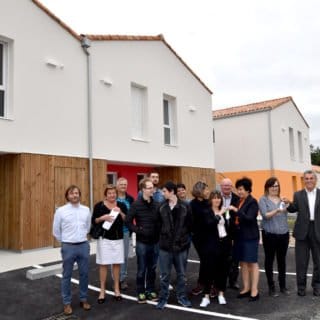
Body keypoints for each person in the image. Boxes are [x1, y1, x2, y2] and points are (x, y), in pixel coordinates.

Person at [52, 185, 91, 316]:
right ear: (67, 196)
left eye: (76, 193)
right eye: (71, 193)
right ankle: (67, 303)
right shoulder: (61, 211)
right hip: (68, 246)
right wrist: (65, 241)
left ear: (79, 195)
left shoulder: (86, 210)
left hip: (83, 245)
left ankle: (83, 299)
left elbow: (88, 227)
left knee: (84, 274)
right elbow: (56, 231)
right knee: (67, 275)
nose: (74, 195)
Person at [156, 181, 193, 309]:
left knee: (181, 275)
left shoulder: (185, 206)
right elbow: (158, 225)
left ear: (171, 192)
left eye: (164, 191)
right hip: (165, 247)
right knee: (165, 274)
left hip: (181, 247)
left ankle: (182, 297)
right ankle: (163, 298)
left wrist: (184, 239)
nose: (162, 193)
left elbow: (190, 225)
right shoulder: (161, 206)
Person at [283, 170, 320, 297]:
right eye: (307, 178)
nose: (309, 180)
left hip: (318, 230)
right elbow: (294, 208)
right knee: (301, 261)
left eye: (311, 178)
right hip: (302, 231)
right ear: (303, 180)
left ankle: (317, 286)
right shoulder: (298, 195)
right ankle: (301, 287)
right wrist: (288, 203)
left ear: (315, 180)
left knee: (318, 261)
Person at [91, 185, 127, 304]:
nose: (112, 195)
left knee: (116, 264)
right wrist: (103, 217)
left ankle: (116, 288)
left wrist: (120, 212)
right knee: (103, 264)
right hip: (104, 239)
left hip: (118, 239)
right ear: (105, 194)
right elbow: (94, 221)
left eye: (114, 193)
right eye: (109, 193)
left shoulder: (121, 205)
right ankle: (102, 290)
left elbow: (126, 219)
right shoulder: (99, 206)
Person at [126, 178, 160, 304]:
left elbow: (160, 221)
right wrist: (138, 230)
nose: (153, 190)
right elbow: (128, 222)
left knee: (152, 268)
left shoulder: (157, 204)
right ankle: (140, 291)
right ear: (143, 190)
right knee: (142, 269)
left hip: (155, 242)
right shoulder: (136, 204)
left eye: (153, 187)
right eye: (150, 188)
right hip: (142, 243)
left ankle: (150, 290)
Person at [229, 177, 260, 302]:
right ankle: (246, 288)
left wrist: (236, 210)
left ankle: (254, 290)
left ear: (247, 189)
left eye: (241, 189)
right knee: (243, 263)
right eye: (238, 189)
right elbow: (235, 217)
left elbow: (249, 218)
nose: (239, 192)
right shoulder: (239, 201)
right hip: (239, 236)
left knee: (252, 263)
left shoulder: (253, 202)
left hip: (250, 237)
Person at [199, 191, 232, 307]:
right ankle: (206, 296)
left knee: (223, 270)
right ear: (211, 200)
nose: (217, 200)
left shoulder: (224, 211)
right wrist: (219, 214)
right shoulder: (206, 212)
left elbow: (228, 226)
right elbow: (209, 224)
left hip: (224, 243)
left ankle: (221, 294)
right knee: (209, 270)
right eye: (214, 198)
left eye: (219, 198)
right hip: (211, 245)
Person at [259, 177, 290, 297]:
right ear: (267, 187)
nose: (274, 188)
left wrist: (288, 203)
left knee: (282, 261)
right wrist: (277, 210)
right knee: (269, 260)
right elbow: (265, 215)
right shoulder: (263, 199)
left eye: (276, 186)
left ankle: (283, 286)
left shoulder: (282, 199)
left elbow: (290, 210)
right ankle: (271, 287)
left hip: (284, 234)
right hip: (269, 235)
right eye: (272, 186)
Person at [190, 181, 211, 296]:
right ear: (200, 191)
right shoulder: (192, 204)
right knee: (205, 259)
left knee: (208, 260)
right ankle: (202, 284)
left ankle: (205, 283)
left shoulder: (209, 202)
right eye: (206, 189)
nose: (208, 191)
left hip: (210, 236)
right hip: (199, 237)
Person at [220, 178, 240, 289]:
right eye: (224, 186)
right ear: (221, 186)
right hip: (221, 232)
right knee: (222, 257)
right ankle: (221, 280)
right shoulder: (216, 198)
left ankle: (233, 281)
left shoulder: (237, 198)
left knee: (235, 258)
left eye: (228, 186)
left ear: (231, 187)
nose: (226, 188)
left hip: (234, 232)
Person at [116, 177, 134, 290]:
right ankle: (115, 279)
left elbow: (132, 216)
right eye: (121, 184)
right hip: (113, 234)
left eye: (125, 184)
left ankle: (122, 279)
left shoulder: (130, 199)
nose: (123, 186)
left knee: (124, 257)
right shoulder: (112, 197)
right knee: (114, 257)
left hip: (126, 232)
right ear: (117, 185)